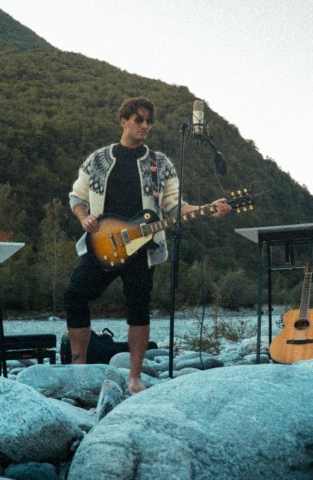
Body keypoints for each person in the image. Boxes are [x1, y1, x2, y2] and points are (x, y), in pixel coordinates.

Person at [64, 96, 231, 394]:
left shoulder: (160, 164)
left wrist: (208, 207)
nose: (144, 126)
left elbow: (174, 207)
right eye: (138, 119)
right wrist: (84, 218)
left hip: (141, 248)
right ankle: (79, 371)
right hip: (103, 242)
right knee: (74, 295)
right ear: (123, 120)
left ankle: (134, 378)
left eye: (148, 121)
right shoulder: (99, 158)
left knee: (138, 310)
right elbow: (76, 196)